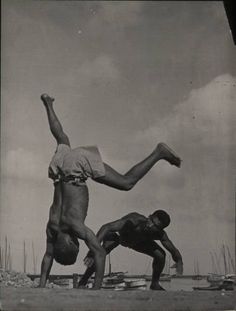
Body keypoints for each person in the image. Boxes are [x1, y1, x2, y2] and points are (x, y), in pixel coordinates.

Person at [39, 94, 182, 289]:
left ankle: (159, 152)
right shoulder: (51, 228)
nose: (79, 242)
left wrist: (97, 287)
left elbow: (99, 252)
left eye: (77, 245)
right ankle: (48, 104)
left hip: (77, 168)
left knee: (126, 183)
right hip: (59, 169)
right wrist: (41, 284)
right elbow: (48, 255)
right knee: (62, 138)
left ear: (73, 242)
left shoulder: (76, 228)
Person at [78, 210, 183, 290]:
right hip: (118, 236)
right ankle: (83, 281)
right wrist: (92, 252)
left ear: (160, 229)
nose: (150, 225)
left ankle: (154, 284)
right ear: (149, 216)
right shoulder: (135, 219)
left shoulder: (160, 234)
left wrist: (179, 261)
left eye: (155, 226)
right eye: (150, 220)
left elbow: (173, 250)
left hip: (138, 243)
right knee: (100, 253)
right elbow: (106, 227)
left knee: (161, 255)